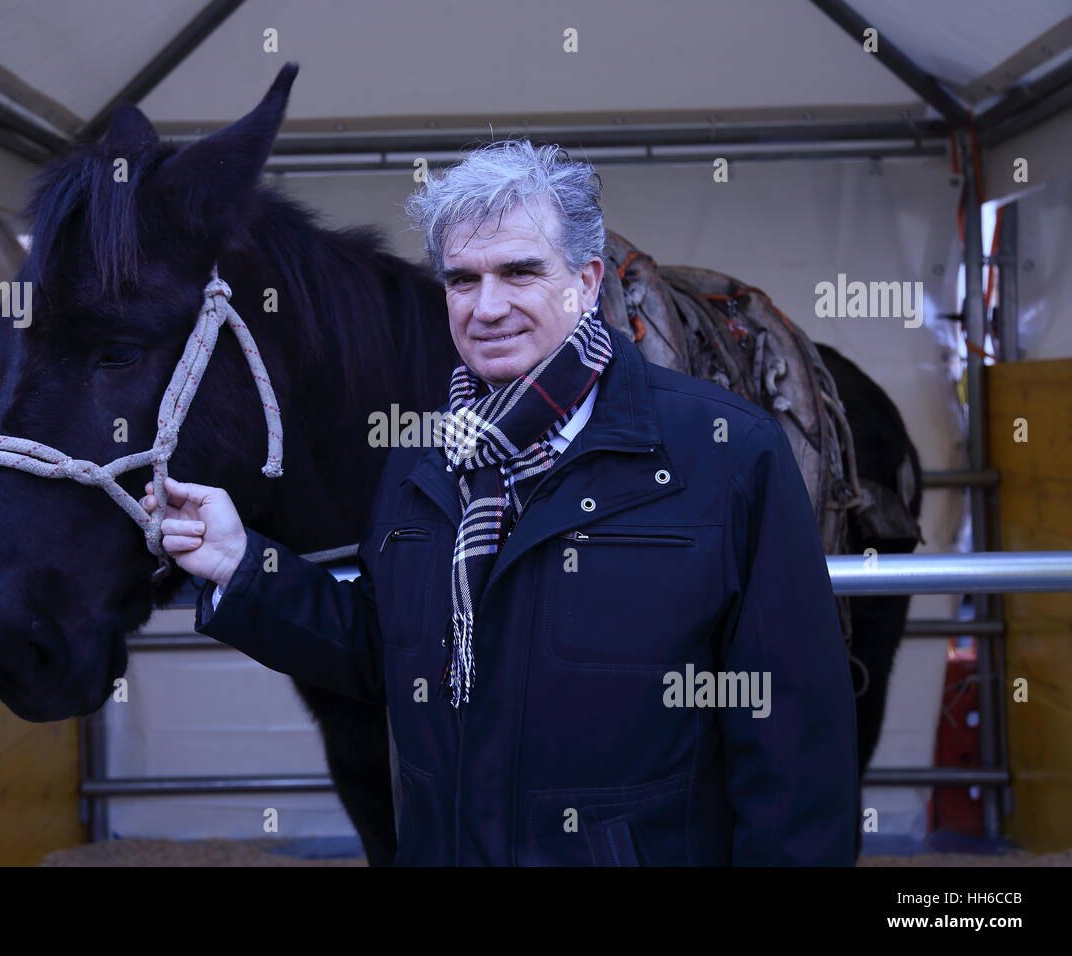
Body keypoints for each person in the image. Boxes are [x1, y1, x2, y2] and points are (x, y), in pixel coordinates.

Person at [140, 139, 858, 866]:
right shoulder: (424, 459)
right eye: (461, 279)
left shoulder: (725, 453)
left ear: (585, 280)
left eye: (519, 272)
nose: (487, 307)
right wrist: (241, 565)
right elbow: (390, 654)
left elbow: (793, 738)